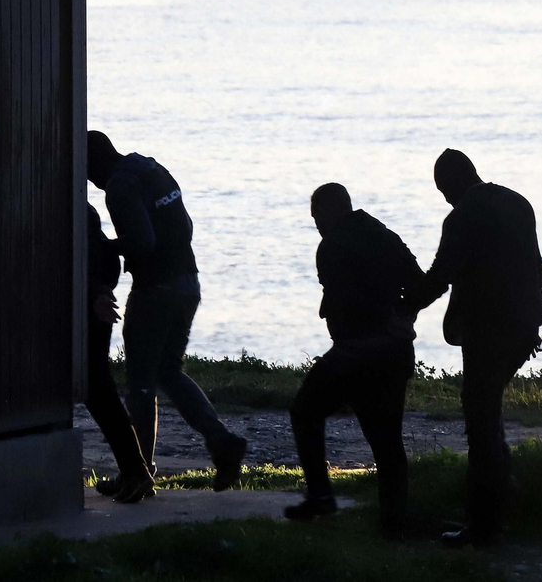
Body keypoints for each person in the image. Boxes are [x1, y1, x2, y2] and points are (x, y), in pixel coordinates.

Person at [87, 130, 248, 492]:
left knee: (141, 384)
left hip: (155, 290)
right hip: (187, 282)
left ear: (93, 164)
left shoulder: (118, 186)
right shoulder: (150, 168)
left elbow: (143, 241)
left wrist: (102, 247)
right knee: (168, 371)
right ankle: (220, 441)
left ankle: (137, 471)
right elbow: (186, 225)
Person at [406, 149, 542, 547]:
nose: (445, 199)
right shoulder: (518, 203)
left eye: (443, 190)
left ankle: (485, 523)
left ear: (449, 185)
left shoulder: (462, 216)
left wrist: (403, 306)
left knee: (480, 416)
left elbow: (439, 277)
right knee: (486, 407)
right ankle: (505, 491)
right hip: (525, 327)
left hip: (489, 329)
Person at [284, 183, 424, 538]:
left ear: (330, 211)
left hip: (356, 353)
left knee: (305, 410)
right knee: (386, 439)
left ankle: (321, 496)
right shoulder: (385, 234)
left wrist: (378, 318)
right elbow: (421, 284)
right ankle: (395, 519)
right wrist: (401, 316)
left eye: (317, 216)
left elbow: (343, 300)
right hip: (394, 351)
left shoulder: (330, 246)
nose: (316, 224)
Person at [83, 204, 155, 503]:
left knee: (98, 390)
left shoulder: (80, 216)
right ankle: (135, 471)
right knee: (99, 390)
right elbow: (107, 261)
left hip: (88, 309)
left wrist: (94, 294)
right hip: (93, 305)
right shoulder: (87, 215)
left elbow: (94, 259)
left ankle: (136, 471)